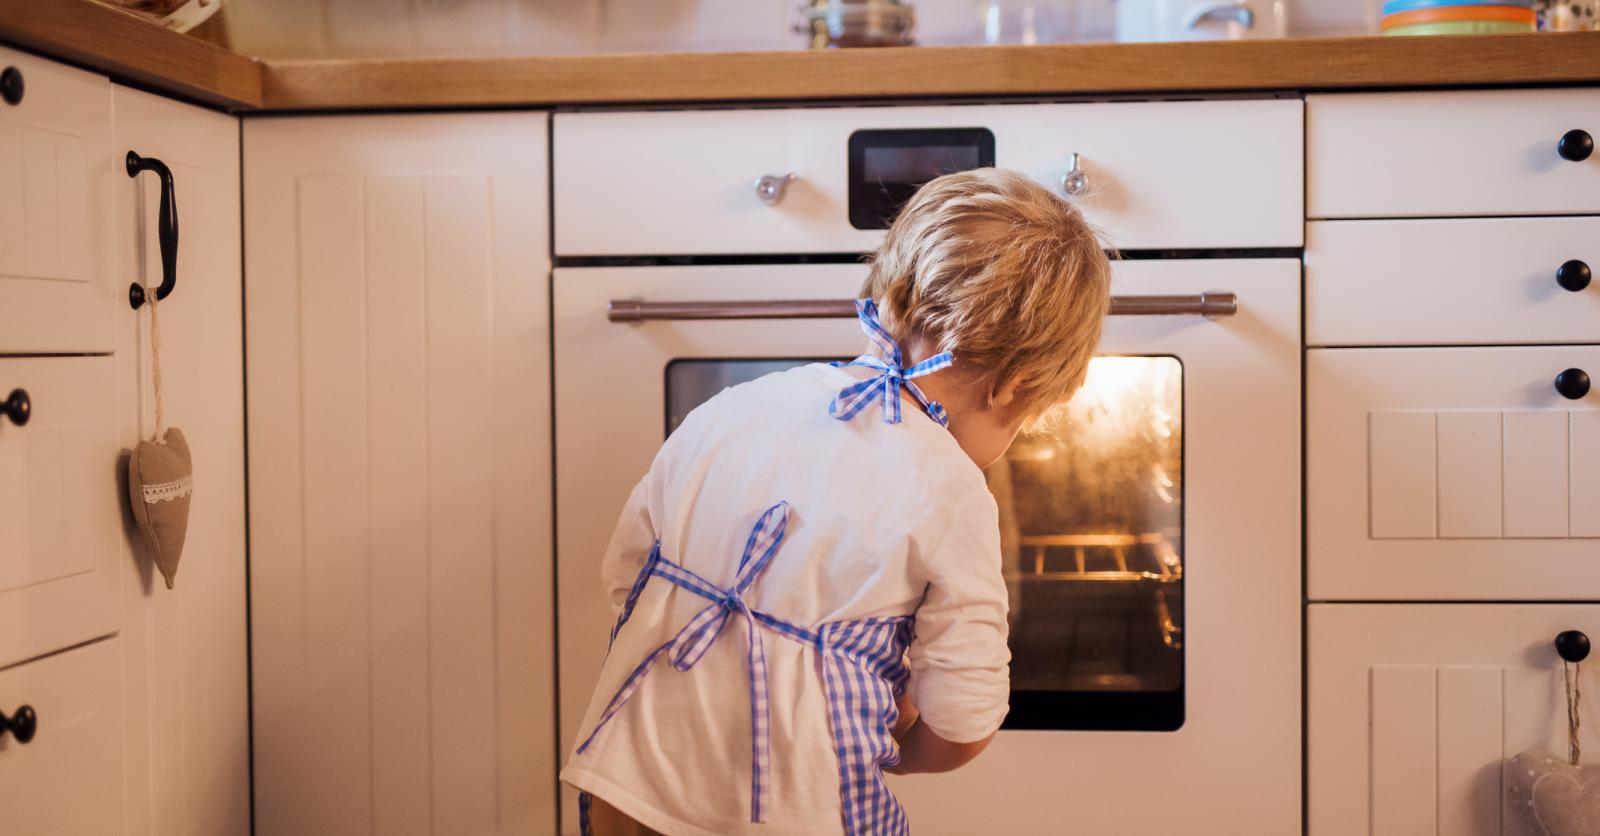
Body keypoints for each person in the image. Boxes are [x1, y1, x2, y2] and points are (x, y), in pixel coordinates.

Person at [561, 167, 1112, 836]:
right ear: (1012, 386)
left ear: (893, 297)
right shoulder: (951, 488)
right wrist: (905, 752)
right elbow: (965, 716)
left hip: (626, 784)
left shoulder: (737, 407)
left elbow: (629, 573)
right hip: (796, 811)